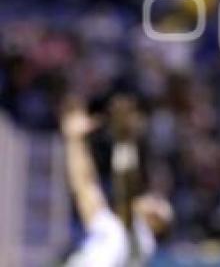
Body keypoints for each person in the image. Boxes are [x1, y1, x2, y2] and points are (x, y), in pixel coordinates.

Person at [60, 96, 172, 266]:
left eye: (156, 203)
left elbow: (126, 191)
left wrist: (124, 142)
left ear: (156, 222)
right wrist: (75, 141)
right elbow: (85, 186)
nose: (149, 199)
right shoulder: (113, 228)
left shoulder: (141, 240)